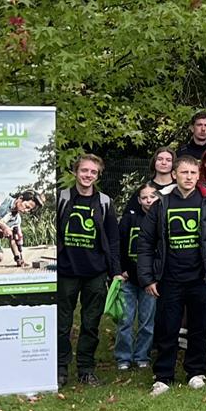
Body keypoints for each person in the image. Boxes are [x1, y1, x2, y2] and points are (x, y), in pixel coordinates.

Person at [140, 156, 206, 394]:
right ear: (174, 175)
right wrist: (148, 278)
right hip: (169, 279)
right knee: (167, 328)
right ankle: (163, 376)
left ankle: (196, 371)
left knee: (200, 327)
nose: (189, 177)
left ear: (198, 174)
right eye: (184, 173)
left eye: (193, 173)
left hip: (202, 278)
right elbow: (145, 243)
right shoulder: (161, 204)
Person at [55, 153, 120, 387]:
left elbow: (113, 239)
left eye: (93, 172)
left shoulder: (104, 202)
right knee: (62, 323)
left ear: (98, 175)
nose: (88, 175)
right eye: (84, 170)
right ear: (75, 172)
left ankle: (85, 369)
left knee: (91, 324)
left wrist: (115, 271)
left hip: (96, 272)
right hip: (66, 271)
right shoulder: (61, 199)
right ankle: (60, 369)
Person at [114, 183, 161, 373]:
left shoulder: (161, 219)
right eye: (144, 197)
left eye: (152, 196)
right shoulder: (128, 220)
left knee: (147, 321)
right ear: (139, 200)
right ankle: (123, 357)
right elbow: (119, 246)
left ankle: (142, 356)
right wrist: (121, 270)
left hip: (150, 281)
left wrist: (156, 276)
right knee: (125, 321)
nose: (149, 200)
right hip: (128, 279)